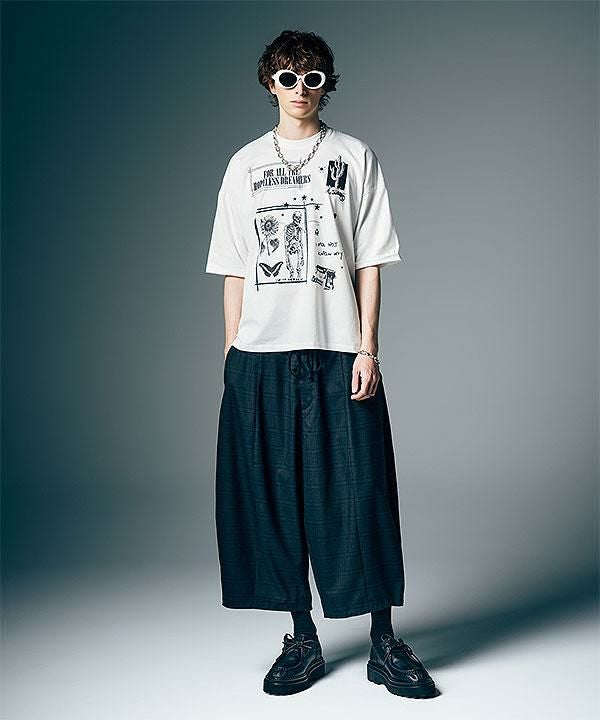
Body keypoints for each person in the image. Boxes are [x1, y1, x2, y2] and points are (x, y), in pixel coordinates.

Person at [205, 29, 438, 699]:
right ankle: (301, 638)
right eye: (288, 77)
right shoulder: (244, 165)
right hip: (262, 356)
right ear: (268, 83)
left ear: (326, 84)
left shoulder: (355, 157)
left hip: (338, 352)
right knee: (275, 498)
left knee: (360, 495)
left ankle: (383, 642)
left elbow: (371, 261)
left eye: (312, 77)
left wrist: (368, 347)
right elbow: (233, 267)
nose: (300, 89)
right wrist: (232, 352)